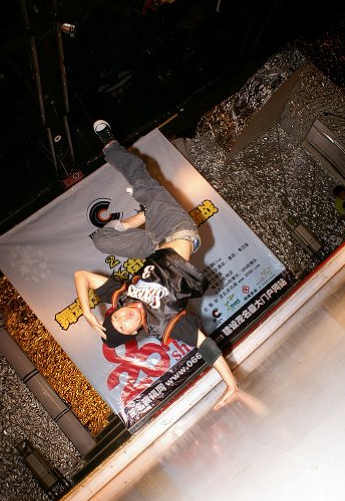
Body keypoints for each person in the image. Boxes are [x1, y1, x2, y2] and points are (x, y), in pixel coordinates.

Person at [75, 120, 239, 410]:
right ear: (133, 332)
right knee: (143, 184)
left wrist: (88, 313)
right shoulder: (163, 323)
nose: (123, 317)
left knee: (101, 240)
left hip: (151, 244)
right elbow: (205, 346)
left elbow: (82, 275)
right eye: (124, 325)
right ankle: (110, 145)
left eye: (116, 317)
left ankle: (140, 217)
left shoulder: (121, 297)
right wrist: (231, 383)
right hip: (176, 230)